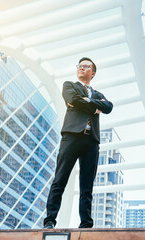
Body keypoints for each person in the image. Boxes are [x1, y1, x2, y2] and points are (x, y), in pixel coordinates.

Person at [43, 57, 113, 229]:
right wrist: (96, 107)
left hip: (91, 141)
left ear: (93, 73)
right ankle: (50, 221)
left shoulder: (98, 94)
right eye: (79, 66)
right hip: (71, 137)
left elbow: (109, 107)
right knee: (60, 179)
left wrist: (87, 101)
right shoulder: (69, 85)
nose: (81, 68)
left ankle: (86, 224)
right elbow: (72, 99)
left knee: (87, 185)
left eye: (86, 66)